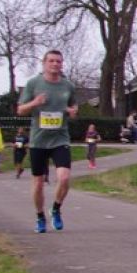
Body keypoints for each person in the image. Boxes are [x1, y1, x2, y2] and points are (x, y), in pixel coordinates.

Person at [17, 49, 79, 233]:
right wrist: (34, 103)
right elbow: (20, 110)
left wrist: (73, 112)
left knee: (64, 177)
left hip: (60, 138)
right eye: (51, 61)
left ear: (62, 64)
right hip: (38, 140)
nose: (55, 64)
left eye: (58, 61)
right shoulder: (33, 83)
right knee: (38, 182)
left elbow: (74, 106)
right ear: (44, 63)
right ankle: (40, 216)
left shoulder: (68, 86)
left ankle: (56, 209)